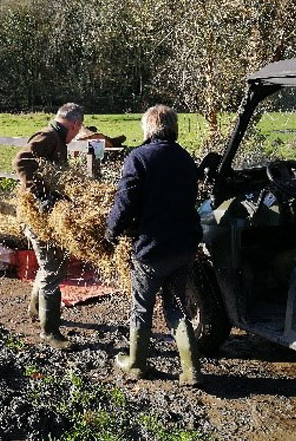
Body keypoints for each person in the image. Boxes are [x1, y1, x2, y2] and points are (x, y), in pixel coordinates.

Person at [106, 104, 204, 386]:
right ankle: (191, 370)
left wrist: (111, 232)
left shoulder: (139, 158)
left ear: (149, 128)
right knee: (177, 306)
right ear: (173, 127)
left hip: (152, 248)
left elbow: (125, 203)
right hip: (184, 245)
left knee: (141, 307)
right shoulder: (186, 159)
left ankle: (136, 364)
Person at [13, 102, 84, 350]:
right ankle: (50, 331)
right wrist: (42, 196)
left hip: (45, 216)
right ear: (74, 125)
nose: (76, 136)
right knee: (54, 269)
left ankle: (35, 309)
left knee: (50, 263)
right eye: (77, 131)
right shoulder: (49, 136)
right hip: (36, 215)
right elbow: (21, 162)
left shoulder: (57, 139)